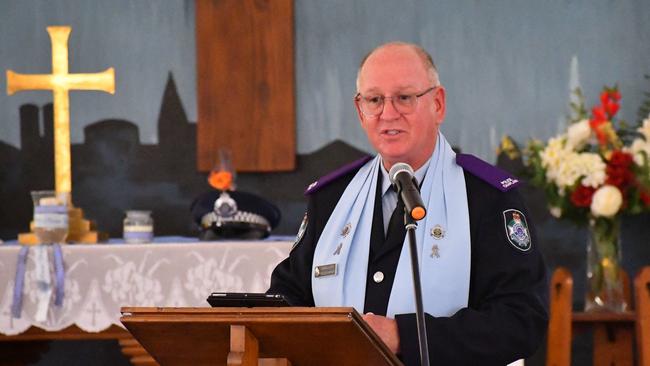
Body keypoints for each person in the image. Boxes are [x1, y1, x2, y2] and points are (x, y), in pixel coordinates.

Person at [268, 42, 548, 365]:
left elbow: (521, 319)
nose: (388, 114)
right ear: (360, 111)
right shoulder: (332, 199)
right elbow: (287, 295)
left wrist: (403, 336)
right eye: (374, 100)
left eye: (404, 98)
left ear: (438, 104)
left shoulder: (487, 198)